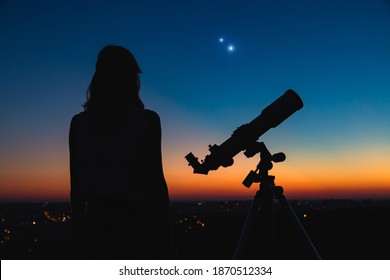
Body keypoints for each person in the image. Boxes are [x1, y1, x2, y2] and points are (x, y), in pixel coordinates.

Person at [69, 45, 173, 259]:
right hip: (139, 225)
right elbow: (156, 184)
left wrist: (81, 235)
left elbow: (76, 189)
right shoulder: (148, 121)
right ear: (131, 79)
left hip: (96, 227)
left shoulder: (79, 124)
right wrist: (165, 236)